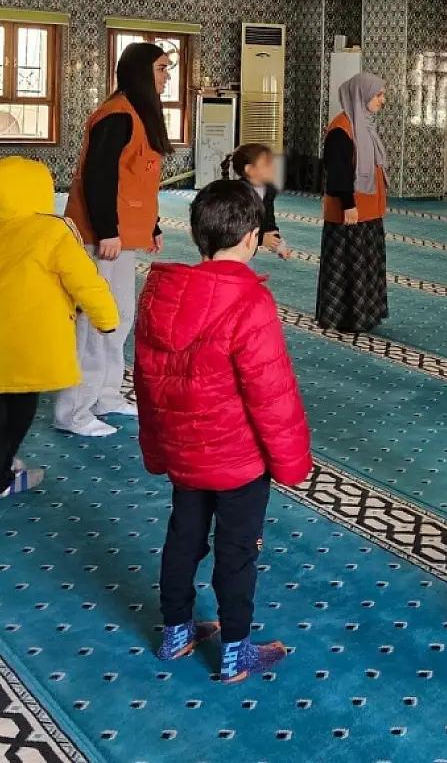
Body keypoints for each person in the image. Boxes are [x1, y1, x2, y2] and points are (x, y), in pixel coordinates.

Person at [135, 180, 313, 683]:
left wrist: (156, 446)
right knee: (236, 553)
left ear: (198, 235)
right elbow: (270, 393)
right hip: (239, 461)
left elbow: (145, 380)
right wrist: (292, 463)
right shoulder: (251, 301)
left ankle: (176, 631)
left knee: (183, 538)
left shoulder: (161, 294)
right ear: (253, 237)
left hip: (185, 452)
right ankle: (236, 650)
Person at [0, 157, 119, 499]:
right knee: (19, 410)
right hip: (30, 339)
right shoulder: (53, 231)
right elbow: (85, 280)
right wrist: (107, 318)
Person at [55, 41, 173, 437]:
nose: (167, 77)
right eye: (161, 69)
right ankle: (73, 412)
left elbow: (137, 180)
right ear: (141, 72)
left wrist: (152, 226)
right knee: (93, 321)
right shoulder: (116, 116)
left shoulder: (138, 114)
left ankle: (105, 395)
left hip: (121, 238)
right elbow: (98, 178)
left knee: (118, 317)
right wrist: (106, 229)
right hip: (100, 237)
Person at [318, 72, 391, 333]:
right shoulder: (341, 129)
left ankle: (365, 315)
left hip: (368, 212)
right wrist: (349, 205)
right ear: (361, 95)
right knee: (350, 265)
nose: (382, 100)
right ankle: (347, 318)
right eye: (378, 95)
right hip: (350, 213)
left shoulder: (364, 127)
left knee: (366, 264)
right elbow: (338, 172)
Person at [220, 142, 292, 260]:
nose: (273, 167)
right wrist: (261, 239)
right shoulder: (239, 194)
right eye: (266, 164)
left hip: (248, 247)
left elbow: (268, 221)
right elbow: (234, 230)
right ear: (250, 170)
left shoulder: (269, 190)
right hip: (227, 248)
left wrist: (279, 246)